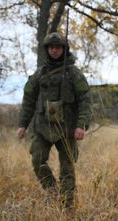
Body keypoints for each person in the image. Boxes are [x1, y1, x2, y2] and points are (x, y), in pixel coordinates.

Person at [17, 32, 91, 208]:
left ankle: (66, 205)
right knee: (37, 160)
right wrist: (22, 124)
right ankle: (53, 192)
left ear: (64, 49)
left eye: (58, 47)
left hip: (67, 128)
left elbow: (85, 100)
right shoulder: (39, 74)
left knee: (67, 168)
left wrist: (81, 125)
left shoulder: (74, 73)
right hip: (43, 128)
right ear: (47, 49)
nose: (55, 50)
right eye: (51, 47)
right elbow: (28, 100)